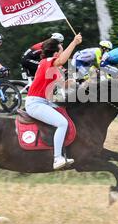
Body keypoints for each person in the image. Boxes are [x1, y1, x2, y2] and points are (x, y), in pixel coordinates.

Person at [25, 33, 83, 170]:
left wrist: (75, 83)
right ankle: (57, 158)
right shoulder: (47, 62)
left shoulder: (53, 67)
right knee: (62, 123)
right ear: (56, 52)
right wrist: (74, 42)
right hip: (36, 103)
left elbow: (63, 85)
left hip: (44, 102)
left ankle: (64, 152)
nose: (63, 52)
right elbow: (62, 61)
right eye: (61, 49)